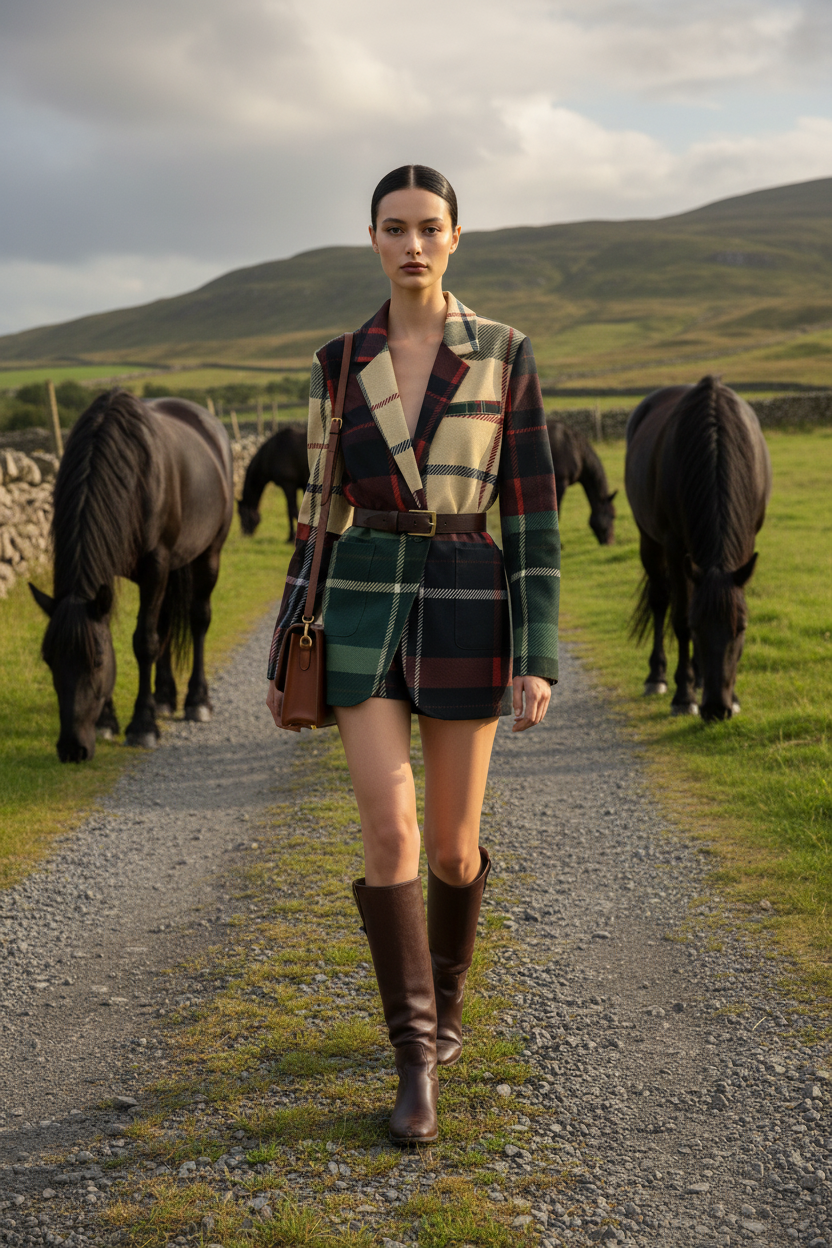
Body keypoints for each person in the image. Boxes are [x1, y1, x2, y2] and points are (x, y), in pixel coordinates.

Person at [266, 164, 559, 1144]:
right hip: (358, 604)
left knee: (449, 845)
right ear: (373, 238)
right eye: (394, 228)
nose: (412, 245)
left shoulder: (506, 354)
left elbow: (532, 516)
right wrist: (286, 646)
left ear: (455, 239)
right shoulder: (336, 361)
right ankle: (415, 1058)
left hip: (470, 600)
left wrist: (538, 652)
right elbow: (314, 516)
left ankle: (448, 1005)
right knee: (389, 835)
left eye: (429, 228)